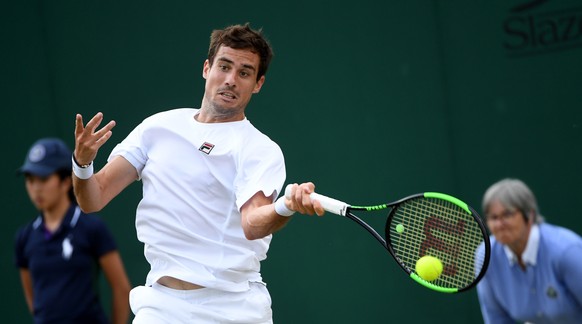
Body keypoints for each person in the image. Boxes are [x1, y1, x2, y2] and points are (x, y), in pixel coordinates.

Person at [71, 23, 324, 323]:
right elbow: (93, 198)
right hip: (162, 306)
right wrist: (82, 163)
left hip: (235, 309)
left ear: (258, 84)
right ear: (207, 68)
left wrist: (286, 205)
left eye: (244, 73)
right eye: (224, 66)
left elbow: (253, 224)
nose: (231, 80)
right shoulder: (157, 128)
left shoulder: (261, 149)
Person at [14, 137, 132, 324]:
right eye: (30, 180)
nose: (36, 188)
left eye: (43, 179)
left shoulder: (91, 228)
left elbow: (121, 289)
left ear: (66, 181)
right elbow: (34, 301)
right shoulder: (25, 237)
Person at [477, 178, 582, 324]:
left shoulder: (566, 252)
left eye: (507, 214)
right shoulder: (485, 256)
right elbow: (496, 319)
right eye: (493, 217)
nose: (499, 224)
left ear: (530, 215)